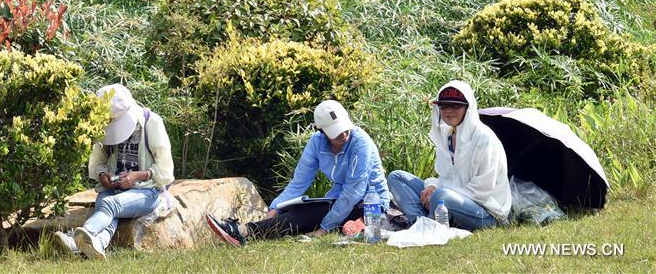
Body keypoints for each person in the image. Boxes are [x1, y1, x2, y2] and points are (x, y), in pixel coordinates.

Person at [205, 99, 389, 245]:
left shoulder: (361, 143)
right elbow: (299, 183)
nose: (343, 134)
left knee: (312, 213)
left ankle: (244, 231)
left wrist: (324, 228)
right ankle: (247, 232)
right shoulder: (316, 143)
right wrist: (276, 208)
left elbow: (353, 191)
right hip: (339, 201)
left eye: (344, 127)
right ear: (322, 131)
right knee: (298, 208)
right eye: (336, 131)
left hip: (370, 204)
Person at [54, 83, 174, 260]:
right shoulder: (102, 124)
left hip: (147, 191)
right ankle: (97, 245)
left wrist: (137, 176)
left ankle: (79, 237)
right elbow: (97, 161)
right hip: (114, 189)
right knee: (108, 211)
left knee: (109, 205)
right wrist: (103, 175)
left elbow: (166, 170)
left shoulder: (151, 122)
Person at [387, 80, 511, 231]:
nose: (449, 111)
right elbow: (447, 178)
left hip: (485, 213)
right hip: (448, 201)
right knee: (396, 177)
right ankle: (420, 222)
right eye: (444, 106)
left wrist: (438, 193)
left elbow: (482, 190)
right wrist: (433, 186)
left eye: (455, 105)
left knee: (442, 196)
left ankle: (429, 226)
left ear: (468, 108)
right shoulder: (448, 135)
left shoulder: (484, 139)